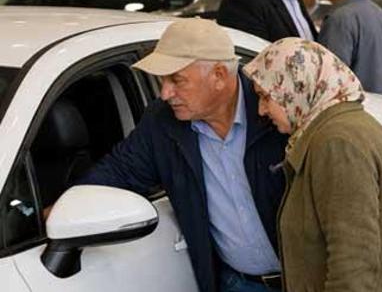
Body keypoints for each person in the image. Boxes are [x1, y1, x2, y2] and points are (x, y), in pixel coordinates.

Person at [76, 18, 287, 292]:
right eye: (162, 80)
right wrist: (63, 206)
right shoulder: (162, 123)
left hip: (308, 279)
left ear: (219, 75)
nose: (165, 93)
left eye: (176, 80)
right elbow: (118, 172)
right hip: (238, 283)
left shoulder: (276, 108)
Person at [243, 38, 382, 292]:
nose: (261, 110)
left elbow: (353, 262)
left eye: (265, 97)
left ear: (296, 87)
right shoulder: (335, 129)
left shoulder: (337, 144)